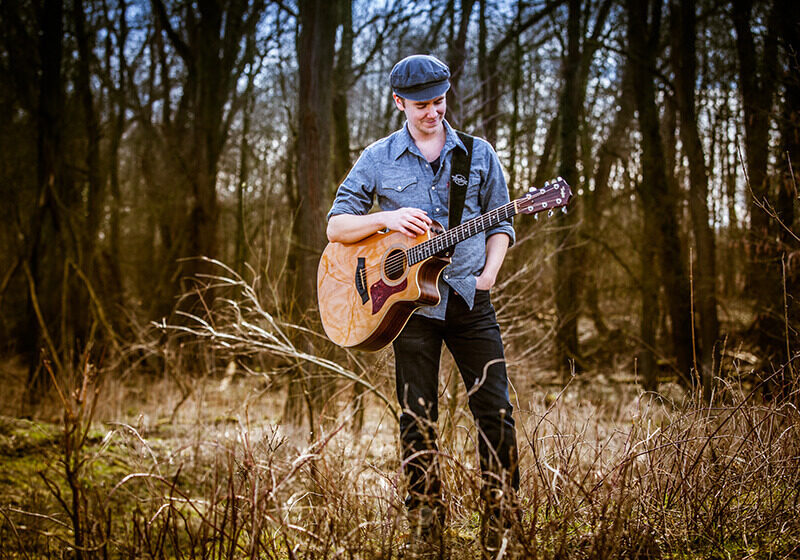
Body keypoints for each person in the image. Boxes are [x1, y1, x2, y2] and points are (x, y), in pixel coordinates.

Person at [326, 54, 519, 554]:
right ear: (398, 104)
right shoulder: (377, 158)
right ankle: (424, 525)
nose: (432, 112)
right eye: (420, 105)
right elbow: (336, 227)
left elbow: (501, 223)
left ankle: (500, 523)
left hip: (469, 300)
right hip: (406, 308)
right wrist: (387, 220)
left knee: (495, 409)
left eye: (439, 102)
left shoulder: (478, 155)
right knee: (417, 415)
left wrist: (490, 273)